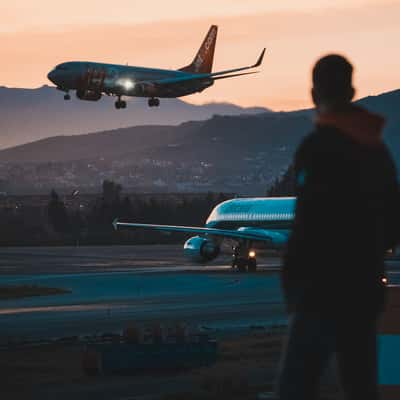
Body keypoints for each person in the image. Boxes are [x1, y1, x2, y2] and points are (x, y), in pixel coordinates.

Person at [277, 54, 400, 400]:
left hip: (318, 292)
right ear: (352, 90)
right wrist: (367, 256)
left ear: (314, 93)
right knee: (360, 387)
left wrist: (293, 287)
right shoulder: (377, 151)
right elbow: (392, 223)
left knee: (295, 387)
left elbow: (307, 225)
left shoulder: (317, 148)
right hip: (362, 291)